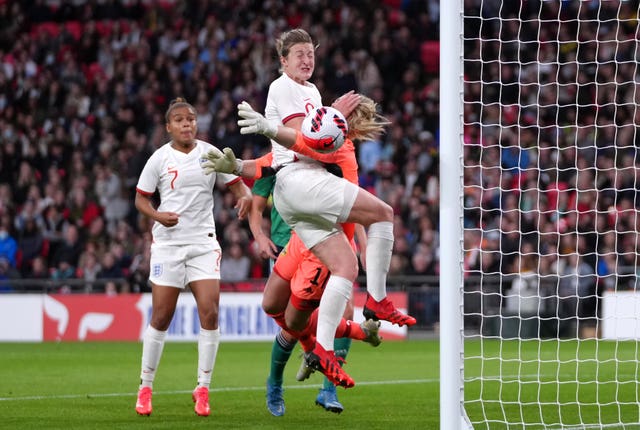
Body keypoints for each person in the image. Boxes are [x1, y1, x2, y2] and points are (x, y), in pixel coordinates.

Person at [204, 94, 417, 388]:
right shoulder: (323, 141)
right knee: (277, 308)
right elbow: (273, 165)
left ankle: (309, 368)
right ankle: (350, 330)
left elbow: (351, 206)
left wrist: (361, 244)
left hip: (318, 246)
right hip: (298, 237)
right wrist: (241, 167)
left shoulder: (339, 147)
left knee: (291, 318)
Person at [245, 28, 356, 416]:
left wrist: (334, 119)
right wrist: (335, 117)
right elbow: (298, 145)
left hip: (318, 213)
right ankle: (289, 370)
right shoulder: (286, 92)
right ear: (283, 61)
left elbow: (318, 145)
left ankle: (327, 386)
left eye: (311, 53)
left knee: (337, 309)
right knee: (282, 310)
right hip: (297, 211)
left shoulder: (312, 94)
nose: (307, 60)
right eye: (299, 55)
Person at [133, 98, 252, 417]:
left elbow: (237, 185)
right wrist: (157, 216)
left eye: (191, 119)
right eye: (180, 120)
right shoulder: (158, 159)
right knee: (161, 316)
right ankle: (145, 387)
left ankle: (202, 388)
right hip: (169, 245)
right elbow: (141, 199)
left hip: (203, 243)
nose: (187, 124)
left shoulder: (210, 153)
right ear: (168, 126)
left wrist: (244, 199)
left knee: (211, 312)